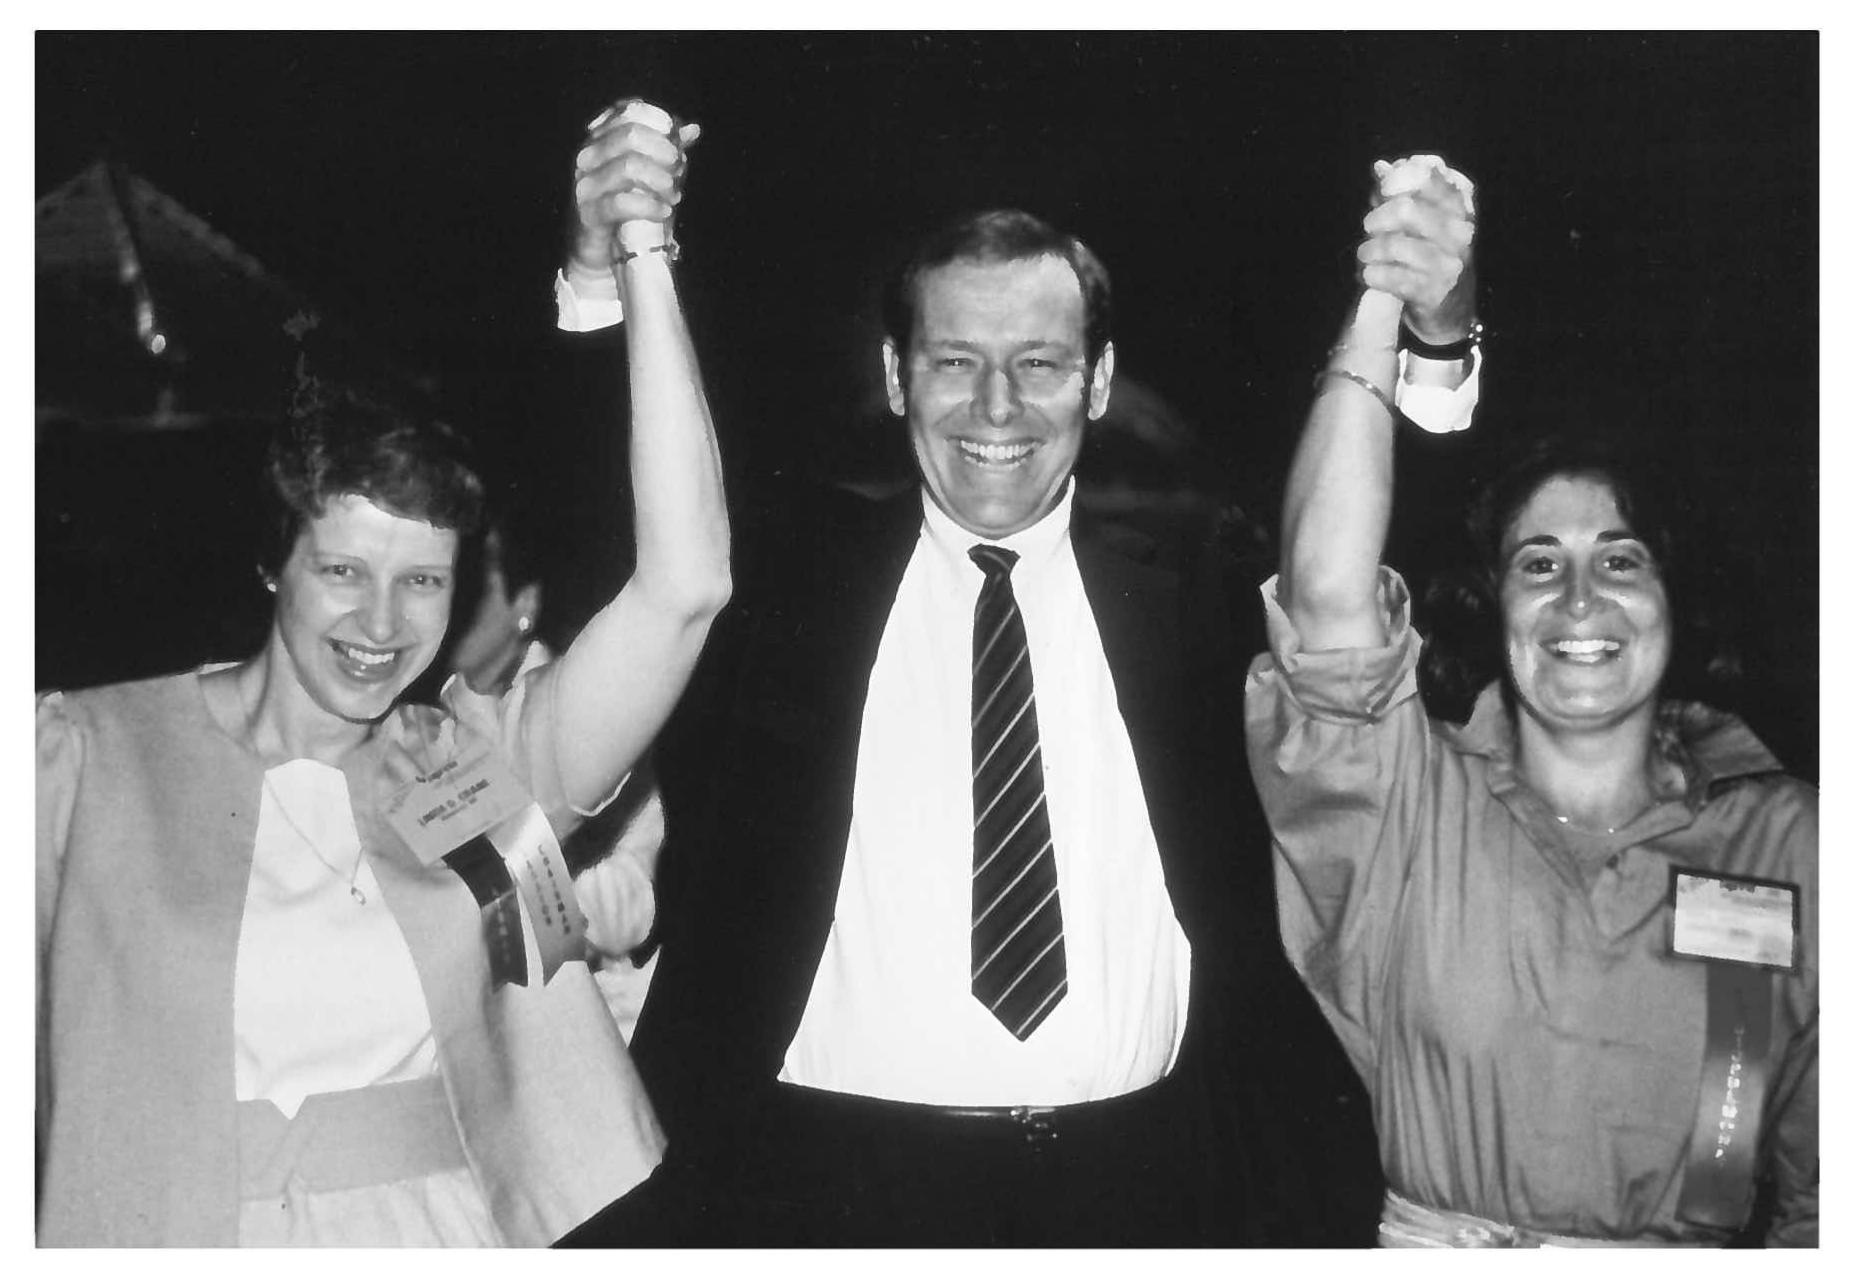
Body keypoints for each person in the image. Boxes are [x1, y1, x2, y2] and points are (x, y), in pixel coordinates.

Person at [558, 184, 1479, 1242]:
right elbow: (606, 510)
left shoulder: (1197, 598)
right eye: (954, 360)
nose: (996, 407)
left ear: (1097, 382)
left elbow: (1394, 577)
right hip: (816, 1191)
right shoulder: (771, 594)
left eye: (1038, 363)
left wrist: (1432, 329)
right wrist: (610, 264)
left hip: (1141, 1187)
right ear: (896, 377)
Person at [35, 98, 728, 1247]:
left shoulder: (471, 767)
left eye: (425, 582)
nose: (381, 621)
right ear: (274, 563)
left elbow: (685, 584)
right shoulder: (78, 751)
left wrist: (641, 252)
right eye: (344, 570)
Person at [1245, 156, 1817, 1246]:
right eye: (1538, 564)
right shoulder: (1409, 806)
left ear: (1675, 600)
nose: (1580, 598)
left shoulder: (1787, 837)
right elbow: (1324, 596)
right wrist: (1386, 299)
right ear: (1493, 605)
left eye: (1622, 558)